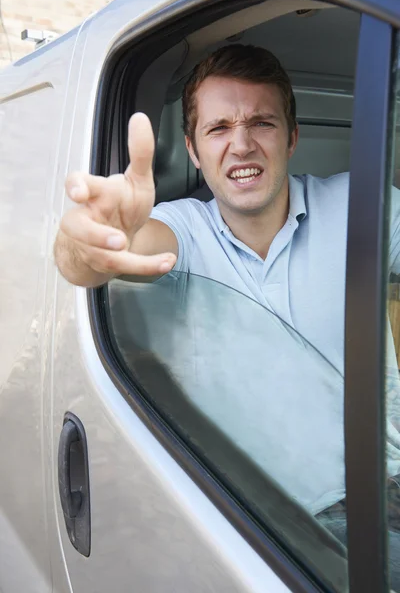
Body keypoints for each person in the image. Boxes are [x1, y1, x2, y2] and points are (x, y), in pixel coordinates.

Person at [55, 44, 400, 581]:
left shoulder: (359, 207)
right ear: (193, 150)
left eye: (261, 122)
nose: (242, 145)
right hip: (261, 530)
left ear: (292, 137)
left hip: (386, 503)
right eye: (218, 129)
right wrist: (85, 244)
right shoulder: (181, 229)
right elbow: (102, 258)